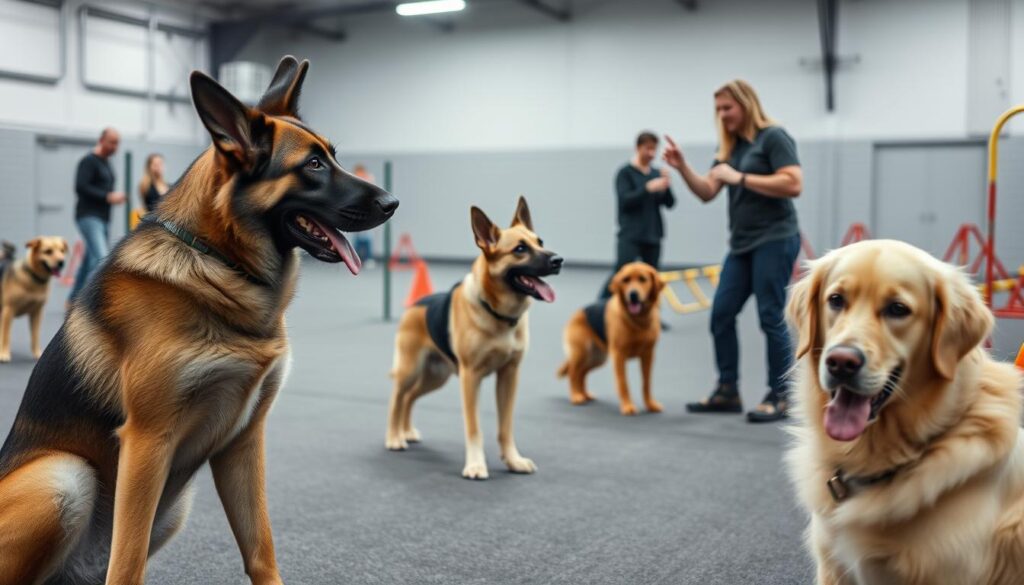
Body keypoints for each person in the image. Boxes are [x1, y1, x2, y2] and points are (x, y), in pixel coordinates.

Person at [663, 79, 803, 423]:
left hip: (775, 238)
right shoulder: (730, 148)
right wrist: (682, 167)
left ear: (745, 104)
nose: (722, 115)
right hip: (741, 245)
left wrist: (740, 178)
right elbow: (707, 191)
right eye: (718, 110)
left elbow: (793, 183)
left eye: (728, 108)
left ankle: (781, 394)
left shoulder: (773, 137)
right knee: (721, 313)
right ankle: (728, 390)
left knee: (770, 315)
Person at [598, 131, 675, 299]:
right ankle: (602, 306)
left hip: (653, 234)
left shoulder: (656, 173)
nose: (651, 153)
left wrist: (666, 185)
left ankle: (651, 314)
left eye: (654, 149)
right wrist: (647, 189)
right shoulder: (625, 173)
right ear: (638, 148)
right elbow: (625, 201)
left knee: (651, 278)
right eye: (648, 149)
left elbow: (670, 203)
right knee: (621, 273)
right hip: (630, 234)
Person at [68, 127, 124, 305]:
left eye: (117, 144)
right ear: (102, 140)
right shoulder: (88, 161)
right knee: (101, 258)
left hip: (102, 218)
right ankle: (90, 305)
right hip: (88, 216)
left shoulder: (106, 163)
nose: (115, 147)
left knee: (88, 262)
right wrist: (108, 196)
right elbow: (81, 187)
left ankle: (71, 300)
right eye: (112, 142)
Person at [352, 164, 376, 265]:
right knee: (357, 237)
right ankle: (355, 259)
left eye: (360, 172)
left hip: (368, 212)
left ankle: (369, 258)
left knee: (368, 238)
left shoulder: (368, 179)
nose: (359, 174)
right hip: (357, 212)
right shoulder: (353, 181)